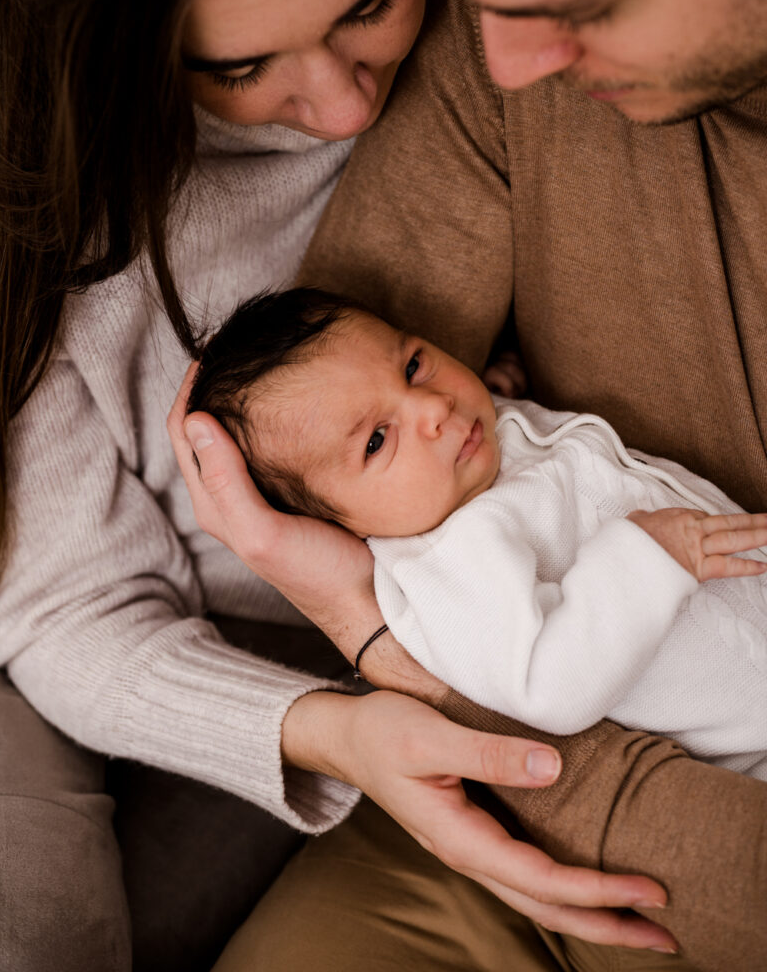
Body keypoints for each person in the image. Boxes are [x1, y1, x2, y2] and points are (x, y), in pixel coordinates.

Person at [0, 0, 679, 970]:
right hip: (64, 628)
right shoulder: (60, 204)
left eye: (369, 4)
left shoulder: (499, 39)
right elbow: (69, 616)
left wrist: (356, 695)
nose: (341, 105)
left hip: (327, 635)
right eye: (239, 69)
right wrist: (331, 734)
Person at [170, 0, 767, 970]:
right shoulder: (508, 56)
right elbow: (334, 409)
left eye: (579, 0)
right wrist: (363, 630)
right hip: (491, 801)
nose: (502, 65)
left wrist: (379, 643)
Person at [187, 287, 767, 776]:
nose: (433, 405)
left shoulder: (464, 450)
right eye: (375, 440)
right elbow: (549, 687)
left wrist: (498, 389)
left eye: (412, 366)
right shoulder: (446, 563)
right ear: (337, 524)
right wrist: (647, 560)